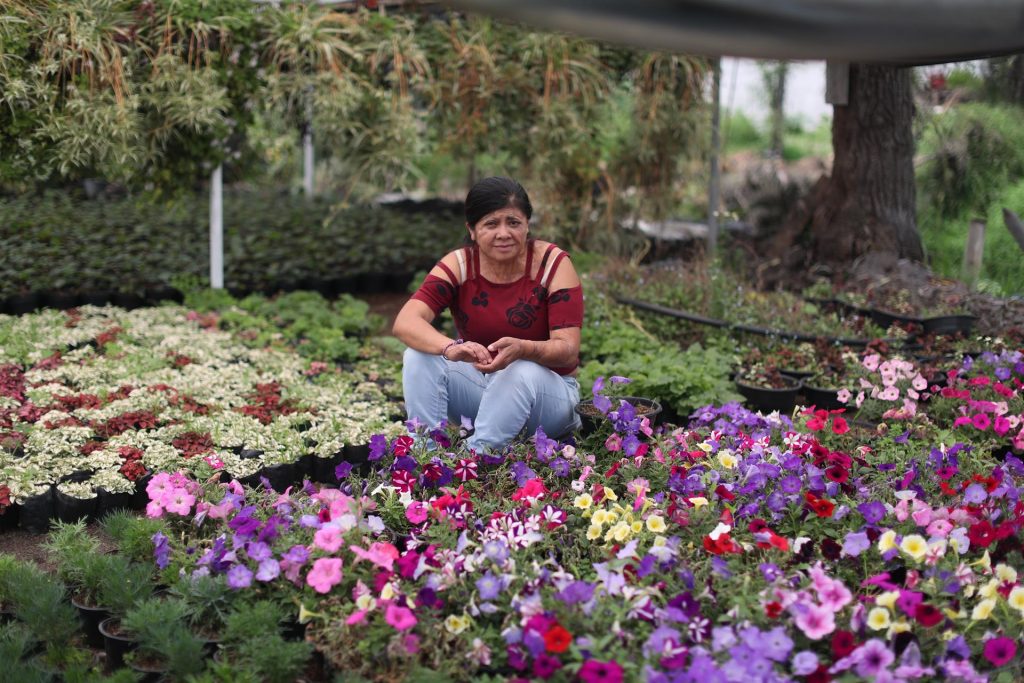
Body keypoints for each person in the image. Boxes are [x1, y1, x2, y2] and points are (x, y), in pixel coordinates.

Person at [393, 176, 584, 453]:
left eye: (513, 223)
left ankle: (476, 458)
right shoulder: (460, 265)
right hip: (487, 391)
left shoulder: (552, 263)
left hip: (549, 401)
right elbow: (405, 322)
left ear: (527, 225)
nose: (503, 233)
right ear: (472, 230)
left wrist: (523, 348)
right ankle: (426, 456)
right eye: (491, 224)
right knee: (419, 354)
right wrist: (450, 348)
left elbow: (568, 350)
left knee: (519, 368)